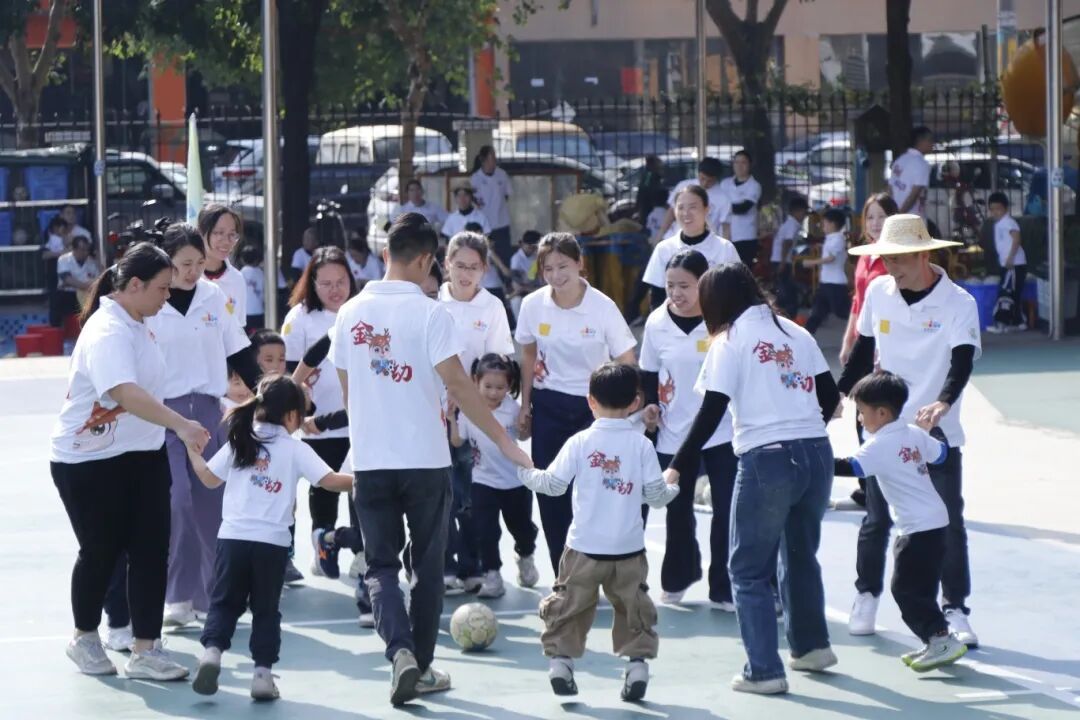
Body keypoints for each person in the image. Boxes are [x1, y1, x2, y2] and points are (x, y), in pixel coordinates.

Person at [329, 212, 531, 706]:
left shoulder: (349, 313)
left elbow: (349, 392)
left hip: (371, 460)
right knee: (426, 566)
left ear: (385, 254)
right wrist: (506, 444)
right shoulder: (431, 314)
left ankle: (399, 652)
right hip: (424, 459)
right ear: (426, 260)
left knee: (379, 566)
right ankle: (419, 665)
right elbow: (459, 386)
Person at [666, 263, 841, 695]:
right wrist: (800, 427)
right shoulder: (796, 332)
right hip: (817, 453)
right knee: (799, 554)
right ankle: (812, 648)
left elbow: (711, 411)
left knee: (746, 570)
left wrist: (677, 464)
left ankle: (763, 670)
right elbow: (830, 396)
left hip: (766, 457)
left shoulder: (729, 341)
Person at [50, 242, 209, 680]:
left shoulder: (141, 323)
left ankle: (146, 649)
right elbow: (123, 391)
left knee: (151, 550)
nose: (168, 297)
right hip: (89, 460)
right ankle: (84, 638)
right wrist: (182, 425)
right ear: (134, 285)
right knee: (101, 551)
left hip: (143, 455)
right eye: (162, 288)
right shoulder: (108, 330)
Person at [838, 213, 981, 649]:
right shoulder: (879, 292)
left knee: (947, 520)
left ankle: (954, 607)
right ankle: (866, 595)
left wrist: (943, 402)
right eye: (885, 258)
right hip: (883, 427)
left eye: (898, 258)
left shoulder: (958, 302)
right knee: (877, 518)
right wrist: (833, 398)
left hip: (935, 431)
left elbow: (961, 360)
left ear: (922, 254)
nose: (890, 266)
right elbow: (862, 352)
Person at [519, 362, 679, 702]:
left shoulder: (580, 442)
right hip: (628, 550)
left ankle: (561, 663)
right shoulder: (641, 445)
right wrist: (672, 485)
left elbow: (553, 485)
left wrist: (525, 472)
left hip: (583, 549)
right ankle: (637, 667)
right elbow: (655, 497)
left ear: (590, 400)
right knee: (634, 610)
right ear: (635, 402)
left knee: (569, 607)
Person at [188, 375, 355, 701]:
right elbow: (330, 481)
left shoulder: (239, 439)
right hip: (272, 543)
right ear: (291, 415)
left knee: (224, 603)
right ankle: (262, 675)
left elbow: (208, 478)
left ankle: (212, 654)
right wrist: (367, 478)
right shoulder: (295, 448)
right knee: (266, 610)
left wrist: (193, 453)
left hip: (233, 539)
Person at [146, 223, 255, 629]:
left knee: (214, 506)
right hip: (164, 417)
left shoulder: (214, 297)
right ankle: (177, 595)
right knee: (177, 502)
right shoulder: (151, 303)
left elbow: (239, 350)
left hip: (210, 413)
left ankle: (214, 596)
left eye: (198, 263)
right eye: (183, 264)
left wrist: (265, 392)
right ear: (166, 263)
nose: (192, 272)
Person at [515, 233, 638, 573]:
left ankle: (598, 571)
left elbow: (627, 358)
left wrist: (623, 407)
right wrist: (525, 405)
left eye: (563, 266)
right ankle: (564, 575)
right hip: (549, 406)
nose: (556, 275)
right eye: (547, 268)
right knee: (551, 491)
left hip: (594, 410)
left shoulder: (603, 306)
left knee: (595, 493)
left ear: (580, 263)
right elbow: (528, 355)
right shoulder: (532, 305)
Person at [833, 372, 968, 672]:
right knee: (921, 588)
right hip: (936, 523)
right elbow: (941, 455)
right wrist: (931, 430)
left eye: (862, 412)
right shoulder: (913, 434)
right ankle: (936, 640)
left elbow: (851, 467)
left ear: (881, 413)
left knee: (904, 590)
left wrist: (812, 459)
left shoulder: (879, 444)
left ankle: (941, 639)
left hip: (917, 529)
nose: (859, 419)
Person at [639, 250, 738, 609]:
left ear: (703, 283)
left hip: (723, 432)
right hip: (674, 434)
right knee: (678, 512)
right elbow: (648, 373)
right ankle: (679, 575)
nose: (676, 293)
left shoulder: (723, 319)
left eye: (684, 286)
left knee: (726, 512)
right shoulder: (656, 323)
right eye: (670, 286)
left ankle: (724, 586)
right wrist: (650, 405)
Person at [438, 231, 516, 593]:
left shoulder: (492, 307)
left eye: (473, 267)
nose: (465, 273)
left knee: (470, 498)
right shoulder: (432, 304)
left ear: (484, 269)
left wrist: (475, 400)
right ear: (447, 264)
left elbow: (498, 362)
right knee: (439, 496)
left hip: (474, 418)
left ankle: (473, 567)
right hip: (434, 414)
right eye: (459, 265)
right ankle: (443, 566)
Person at [281, 247, 357, 578]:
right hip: (316, 424)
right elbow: (287, 375)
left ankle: (362, 555)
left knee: (360, 490)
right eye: (326, 283)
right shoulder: (299, 318)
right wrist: (302, 413)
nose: (335, 290)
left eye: (341, 281)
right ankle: (322, 544)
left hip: (359, 421)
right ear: (311, 283)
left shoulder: (360, 311)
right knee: (324, 488)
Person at [447, 353, 540, 598]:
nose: (493, 392)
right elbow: (457, 441)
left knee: (522, 529)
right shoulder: (469, 411)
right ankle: (492, 575)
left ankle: (525, 555)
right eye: (488, 386)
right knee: (485, 531)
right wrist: (452, 419)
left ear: (509, 387)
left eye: (500, 387)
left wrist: (525, 424)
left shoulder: (512, 409)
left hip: (515, 482)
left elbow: (523, 436)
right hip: (483, 482)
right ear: (475, 381)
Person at [840, 192, 899, 508]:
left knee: (881, 416)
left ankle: (880, 488)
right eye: (870, 217)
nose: (875, 223)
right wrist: (848, 340)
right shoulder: (865, 255)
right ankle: (867, 486)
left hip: (884, 346)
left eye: (882, 217)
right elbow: (857, 301)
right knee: (861, 414)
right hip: (864, 344)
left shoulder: (895, 258)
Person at [248, 328, 304, 584]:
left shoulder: (290, 391)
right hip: (253, 470)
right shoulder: (245, 393)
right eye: (268, 359)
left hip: (282, 467)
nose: (276, 365)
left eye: (281, 359)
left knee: (288, 505)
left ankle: (286, 558)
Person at [641, 185, 740, 310]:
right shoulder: (664, 249)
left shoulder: (725, 248)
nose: (686, 213)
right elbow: (657, 296)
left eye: (693, 207)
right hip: (674, 319)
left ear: (706, 209)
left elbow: (736, 293)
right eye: (680, 207)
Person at [654, 157, 729, 242]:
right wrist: (660, 234)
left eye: (710, 181)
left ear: (716, 179)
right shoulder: (683, 186)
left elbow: (725, 227)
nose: (705, 183)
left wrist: (726, 247)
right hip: (676, 237)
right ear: (698, 173)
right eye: (702, 178)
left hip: (706, 242)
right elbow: (671, 212)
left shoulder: (723, 198)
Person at [802, 208, 851, 335]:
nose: (822, 226)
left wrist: (811, 263)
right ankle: (805, 337)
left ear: (832, 224)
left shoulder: (838, 238)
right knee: (817, 314)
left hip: (835, 284)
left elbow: (831, 258)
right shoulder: (831, 238)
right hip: (826, 283)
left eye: (824, 223)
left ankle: (866, 333)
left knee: (843, 312)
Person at [198, 204, 248, 327]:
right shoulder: (186, 277)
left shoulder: (237, 280)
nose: (226, 241)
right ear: (201, 233)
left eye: (232, 235)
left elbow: (238, 329)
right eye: (219, 233)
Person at [986, 191, 1028, 334]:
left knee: (1006, 293)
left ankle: (1002, 323)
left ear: (1005, 208)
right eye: (992, 209)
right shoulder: (999, 224)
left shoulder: (1008, 222)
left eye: (998, 208)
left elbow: (1016, 239)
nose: (995, 212)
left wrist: (1010, 258)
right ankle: (1018, 322)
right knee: (1013, 293)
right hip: (1009, 264)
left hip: (1014, 264)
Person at [470, 146, 513, 264]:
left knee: (504, 257)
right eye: (490, 158)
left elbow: (507, 195)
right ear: (483, 160)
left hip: (502, 223)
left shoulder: (502, 174)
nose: (493, 161)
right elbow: (474, 199)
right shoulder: (475, 178)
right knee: (485, 257)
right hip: (485, 224)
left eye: (494, 158)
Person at [720, 150, 763, 267]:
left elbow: (743, 208)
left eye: (743, 162)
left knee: (743, 269)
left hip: (746, 236)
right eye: (736, 162)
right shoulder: (724, 184)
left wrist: (724, 207)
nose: (739, 166)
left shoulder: (754, 186)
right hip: (726, 236)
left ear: (750, 165)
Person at [771, 196, 808, 319]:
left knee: (785, 289)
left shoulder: (791, 223)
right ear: (797, 211)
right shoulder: (792, 224)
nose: (804, 216)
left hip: (781, 260)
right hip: (781, 261)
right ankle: (788, 315)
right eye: (803, 212)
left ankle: (783, 314)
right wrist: (783, 262)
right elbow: (786, 243)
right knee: (787, 290)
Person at [889, 126, 933, 218]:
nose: (932, 144)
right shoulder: (921, 164)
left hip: (894, 213)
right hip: (911, 218)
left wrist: (892, 214)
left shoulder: (900, 160)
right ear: (921, 141)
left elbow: (890, 188)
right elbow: (915, 194)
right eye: (930, 140)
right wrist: (900, 215)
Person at [57, 235, 102, 316]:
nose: (86, 253)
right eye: (82, 250)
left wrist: (98, 261)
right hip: (69, 295)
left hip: (87, 295)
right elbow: (67, 279)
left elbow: (99, 278)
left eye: (87, 250)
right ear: (74, 249)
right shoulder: (63, 259)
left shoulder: (91, 262)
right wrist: (84, 285)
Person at [510, 230, 544, 319]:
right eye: (531, 247)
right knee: (516, 301)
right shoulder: (516, 259)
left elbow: (543, 281)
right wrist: (529, 288)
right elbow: (517, 286)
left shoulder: (538, 256)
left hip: (537, 290)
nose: (533, 249)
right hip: (523, 293)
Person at [240, 244, 265, 332]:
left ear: (242, 259)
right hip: (259, 310)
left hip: (244, 313)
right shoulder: (261, 273)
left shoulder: (240, 274)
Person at [634, 155, 666, 224]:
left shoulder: (653, 175)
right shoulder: (649, 175)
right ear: (653, 164)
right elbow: (645, 189)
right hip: (649, 205)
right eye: (659, 164)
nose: (661, 167)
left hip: (651, 204)